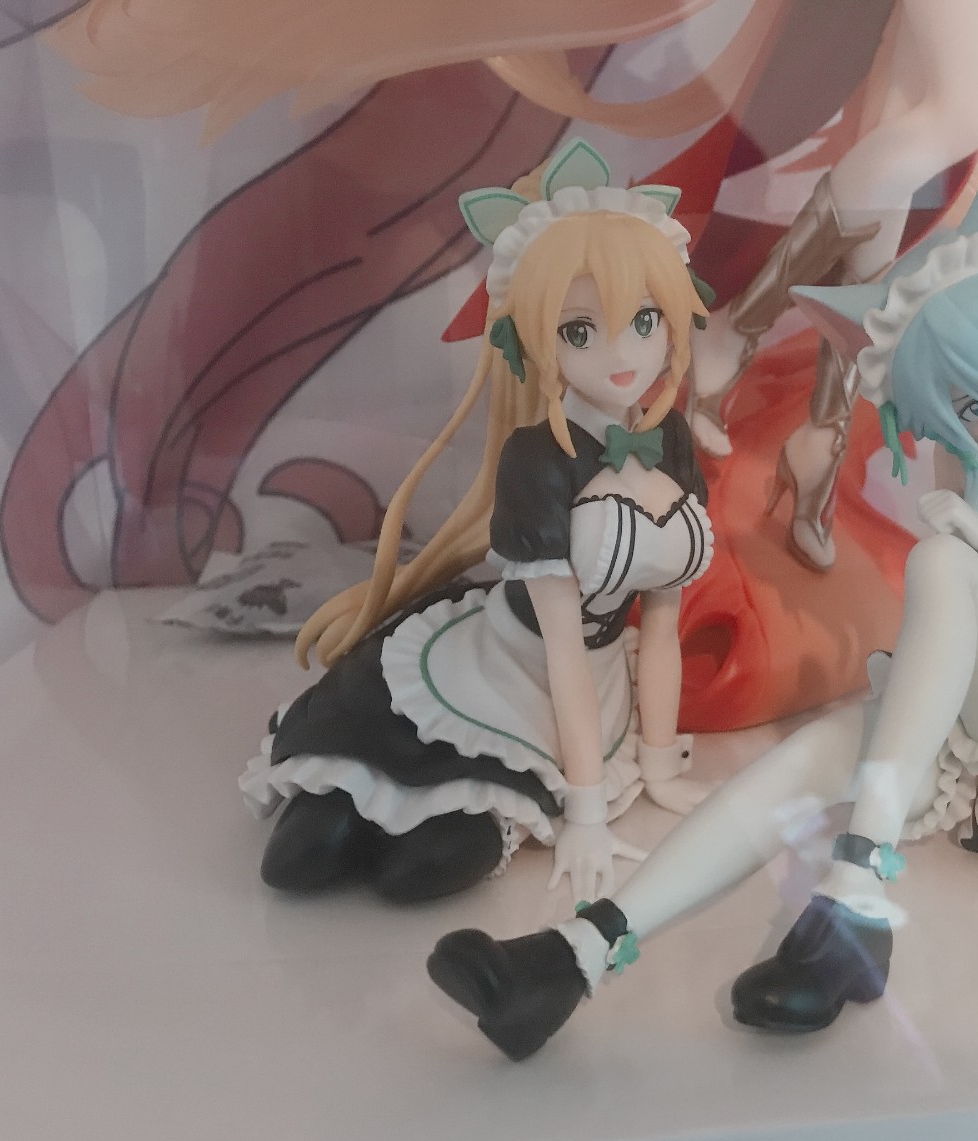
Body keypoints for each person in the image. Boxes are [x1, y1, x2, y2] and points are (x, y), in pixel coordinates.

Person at [425, 189, 978, 1060]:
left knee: (944, 560)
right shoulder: (972, 469)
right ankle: (571, 956)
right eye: (974, 405)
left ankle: (856, 887)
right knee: (801, 762)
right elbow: (966, 618)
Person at [241, 141, 715, 904]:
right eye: (579, 331)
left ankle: (439, 824)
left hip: (593, 685)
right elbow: (559, 642)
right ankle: (343, 799)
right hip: (509, 667)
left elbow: (662, 624)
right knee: (304, 857)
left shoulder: (673, 444)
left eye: (644, 319)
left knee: (424, 871)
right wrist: (586, 813)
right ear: (533, 339)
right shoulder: (539, 458)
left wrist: (657, 766)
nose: (621, 354)